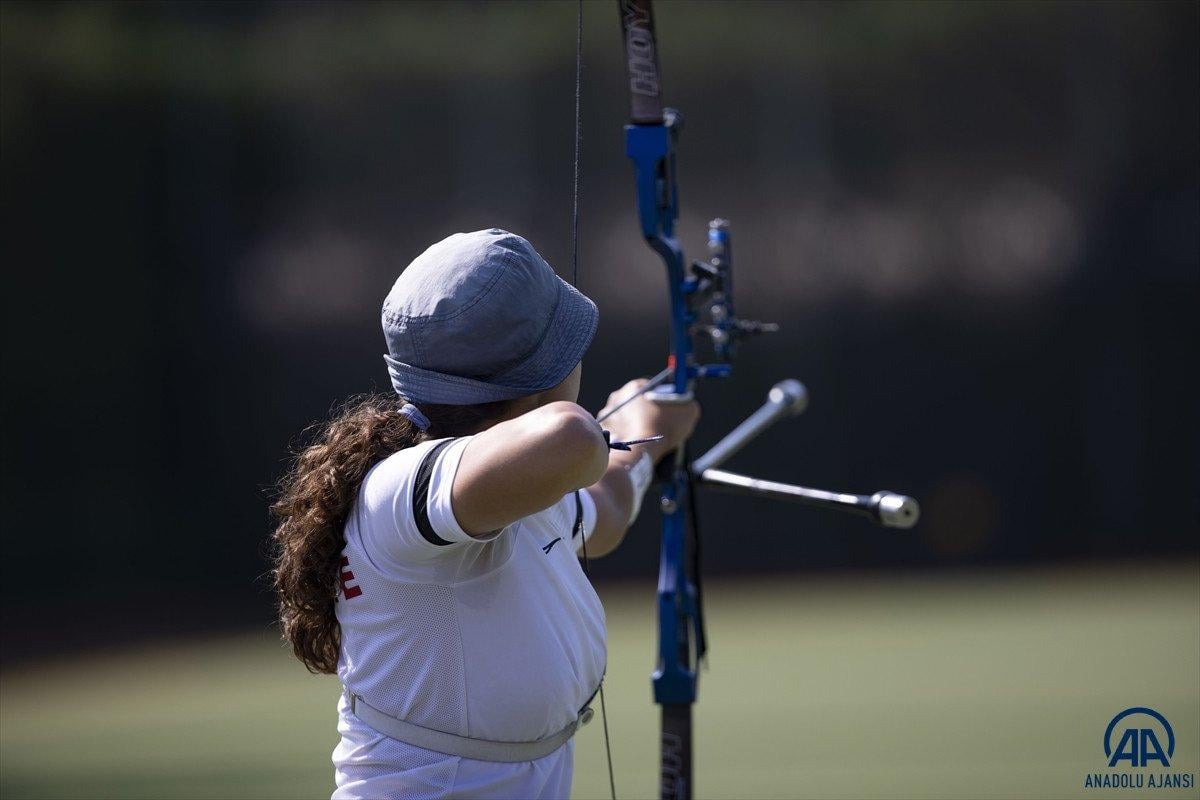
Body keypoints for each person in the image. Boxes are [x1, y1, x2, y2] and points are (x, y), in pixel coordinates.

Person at [270, 229, 699, 799]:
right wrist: (607, 429)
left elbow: (606, 514)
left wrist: (646, 433)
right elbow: (570, 438)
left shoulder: (512, 485)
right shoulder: (396, 492)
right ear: (539, 380)